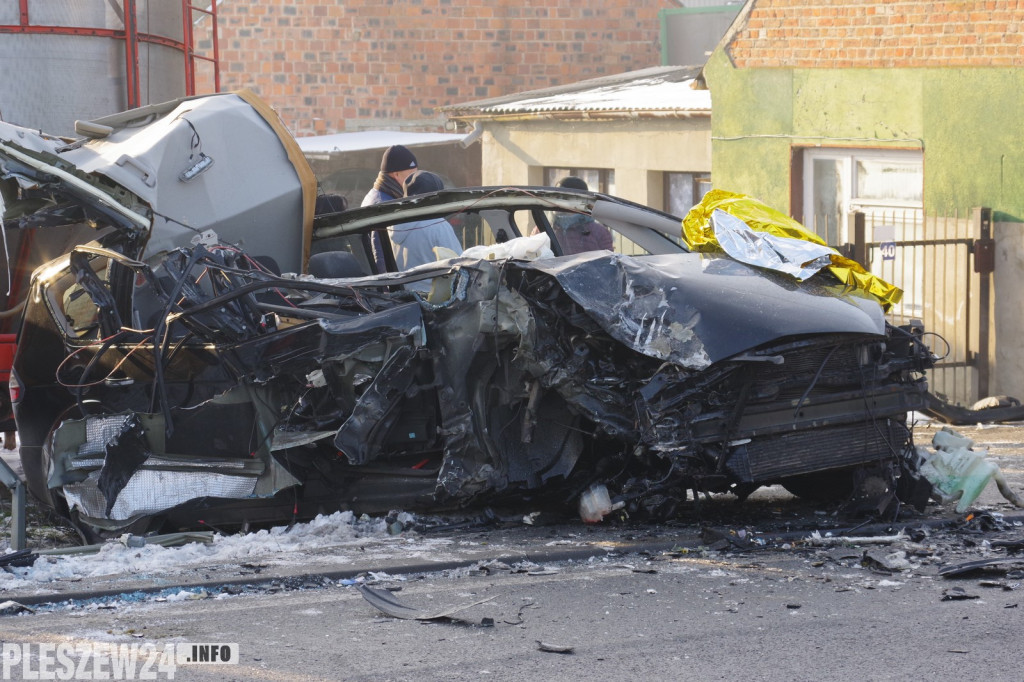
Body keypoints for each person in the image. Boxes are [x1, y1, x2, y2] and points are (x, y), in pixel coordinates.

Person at [388, 170, 462, 293]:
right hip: (435, 302)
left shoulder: (392, 226)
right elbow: (460, 266)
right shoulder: (437, 225)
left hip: (405, 301)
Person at [362, 145, 419, 272]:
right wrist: (386, 288)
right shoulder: (383, 206)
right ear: (396, 174)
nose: (414, 180)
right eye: (411, 175)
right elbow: (380, 253)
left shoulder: (383, 195)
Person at [551, 176, 614, 255]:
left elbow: (608, 264)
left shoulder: (598, 232)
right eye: (557, 198)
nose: (558, 203)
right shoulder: (544, 229)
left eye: (564, 198)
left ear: (580, 202)